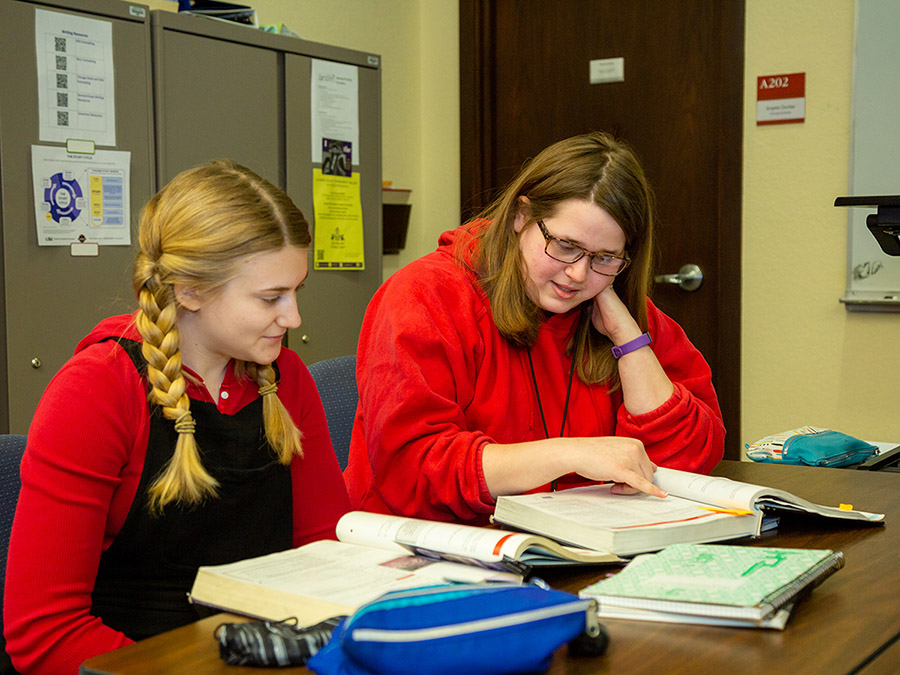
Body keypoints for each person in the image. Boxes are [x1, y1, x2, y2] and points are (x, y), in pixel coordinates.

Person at [4, 160, 350, 674]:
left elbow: (324, 557)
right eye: (270, 297)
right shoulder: (98, 390)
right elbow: (43, 631)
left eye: (297, 290)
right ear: (189, 290)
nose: (294, 318)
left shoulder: (285, 377)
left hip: (254, 656)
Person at [344, 132, 725, 524]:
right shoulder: (426, 295)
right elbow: (414, 471)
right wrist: (569, 454)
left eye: (605, 257)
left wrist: (628, 342)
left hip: (567, 546)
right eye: (564, 245)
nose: (577, 274)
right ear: (521, 216)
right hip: (422, 549)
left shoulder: (614, 310)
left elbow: (692, 456)